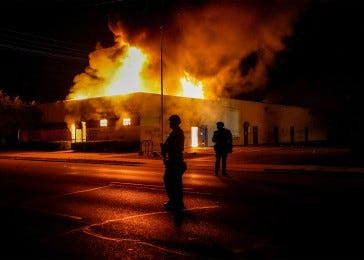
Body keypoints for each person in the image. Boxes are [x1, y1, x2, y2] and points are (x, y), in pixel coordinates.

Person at [161, 114, 187, 211]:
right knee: (171, 181)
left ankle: (176, 202)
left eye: (171, 122)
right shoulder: (174, 133)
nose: (169, 123)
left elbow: (177, 147)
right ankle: (174, 201)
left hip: (175, 161)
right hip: (173, 161)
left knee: (174, 182)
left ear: (175, 122)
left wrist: (166, 148)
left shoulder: (178, 133)